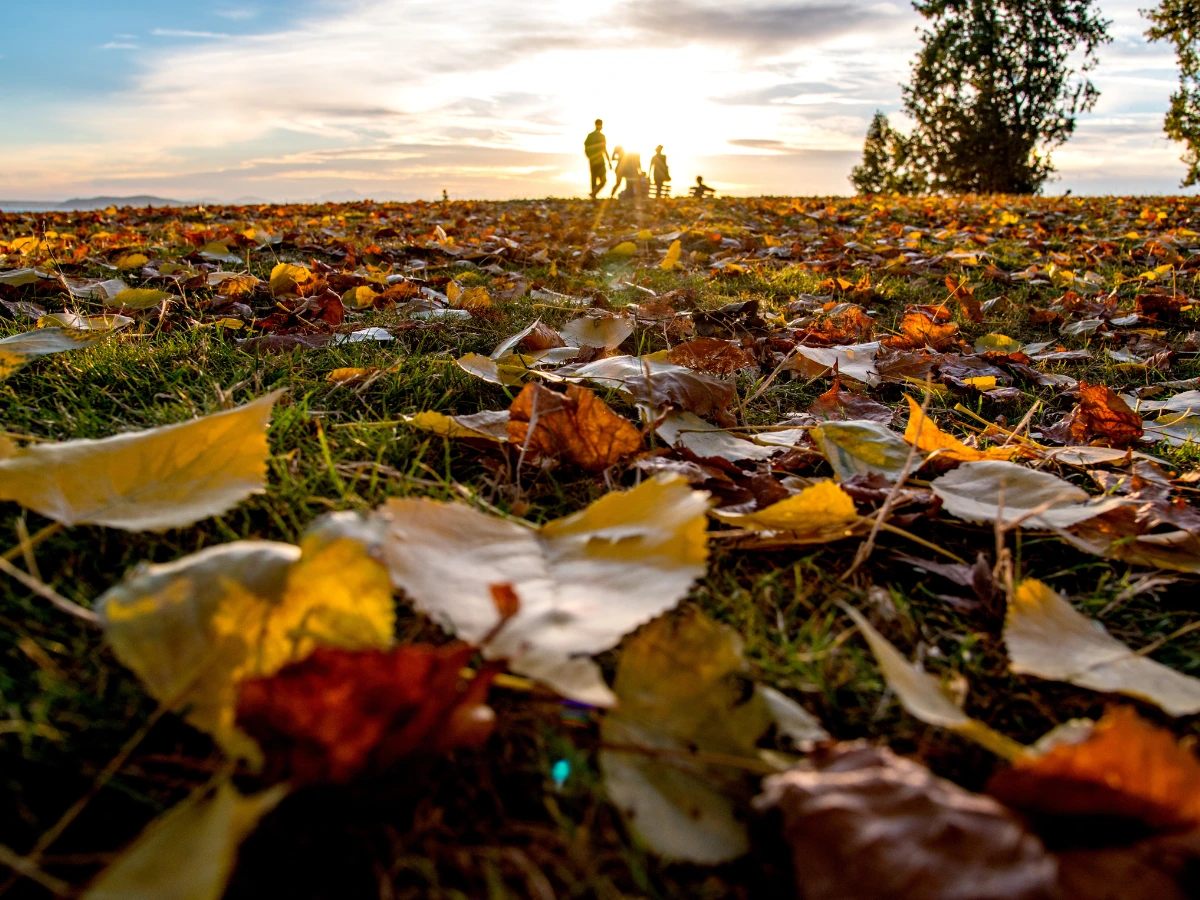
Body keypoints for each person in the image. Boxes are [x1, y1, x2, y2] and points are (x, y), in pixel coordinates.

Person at [584, 119, 610, 199]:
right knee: (602, 180)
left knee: (595, 179)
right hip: (599, 161)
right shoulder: (600, 136)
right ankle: (594, 195)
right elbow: (604, 149)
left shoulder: (591, 135)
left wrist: (589, 156)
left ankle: (593, 194)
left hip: (595, 160)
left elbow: (586, 147)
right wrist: (609, 162)